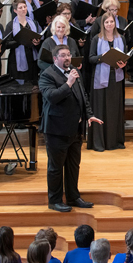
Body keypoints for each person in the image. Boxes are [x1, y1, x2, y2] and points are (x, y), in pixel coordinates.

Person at [39, 45, 103, 212]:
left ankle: (74, 197)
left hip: (75, 129)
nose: (67, 58)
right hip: (56, 130)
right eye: (63, 56)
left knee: (74, 166)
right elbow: (52, 97)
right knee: (55, 167)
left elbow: (83, 95)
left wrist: (89, 115)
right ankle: (54, 200)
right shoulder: (47, 75)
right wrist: (68, 83)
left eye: (69, 55)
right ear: (55, 59)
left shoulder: (74, 71)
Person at [88, 12, 127, 151]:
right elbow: (91, 59)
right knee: (100, 109)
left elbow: (126, 57)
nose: (109, 24)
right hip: (100, 78)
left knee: (114, 110)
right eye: (106, 22)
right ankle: (99, 143)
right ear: (102, 24)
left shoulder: (121, 38)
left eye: (111, 22)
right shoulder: (96, 39)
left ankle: (115, 142)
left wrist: (123, 64)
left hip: (115, 78)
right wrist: (102, 57)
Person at [6, 0, 41, 82]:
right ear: (15, 10)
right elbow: (6, 44)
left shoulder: (33, 23)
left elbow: (39, 37)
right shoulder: (11, 25)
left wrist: (37, 42)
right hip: (16, 60)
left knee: (32, 85)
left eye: (25, 7)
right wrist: (19, 41)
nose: (23, 9)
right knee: (18, 85)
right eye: (20, 8)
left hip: (32, 59)